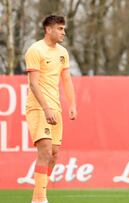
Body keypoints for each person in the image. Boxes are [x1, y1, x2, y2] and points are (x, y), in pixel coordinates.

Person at [25, 15, 77, 203]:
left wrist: (72, 104)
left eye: (64, 28)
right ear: (49, 29)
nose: (64, 32)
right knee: (45, 151)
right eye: (60, 28)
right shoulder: (35, 50)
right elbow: (34, 84)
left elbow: (67, 80)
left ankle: (36, 199)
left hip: (56, 107)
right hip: (38, 107)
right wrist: (46, 108)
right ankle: (41, 199)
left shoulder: (63, 52)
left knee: (54, 154)